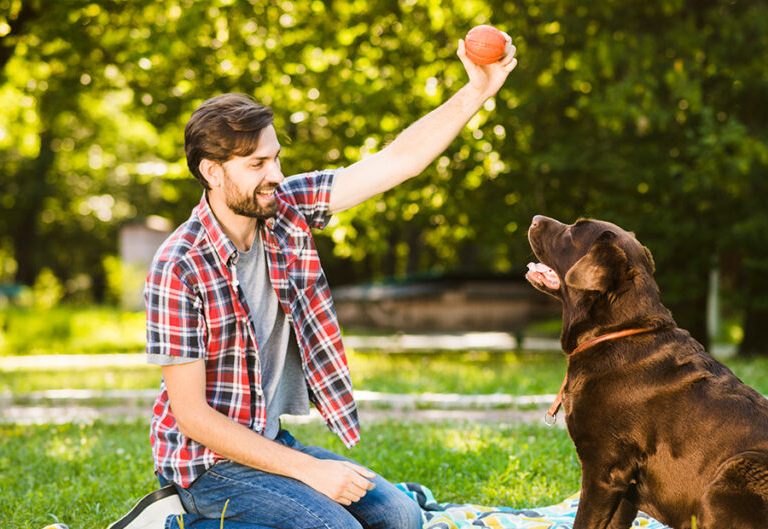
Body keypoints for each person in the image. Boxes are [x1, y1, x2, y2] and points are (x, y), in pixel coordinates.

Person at [108, 36, 517, 529]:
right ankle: (174, 523)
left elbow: (397, 162)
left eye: (276, 158)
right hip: (207, 465)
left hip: (267, 441)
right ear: (212, 172)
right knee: (336, 528)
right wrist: (310, 471)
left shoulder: (285, 210)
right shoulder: (179, 265)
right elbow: (193, 418)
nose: (276, 175)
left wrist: (477, 91)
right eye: (258, 164)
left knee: (402, 518)